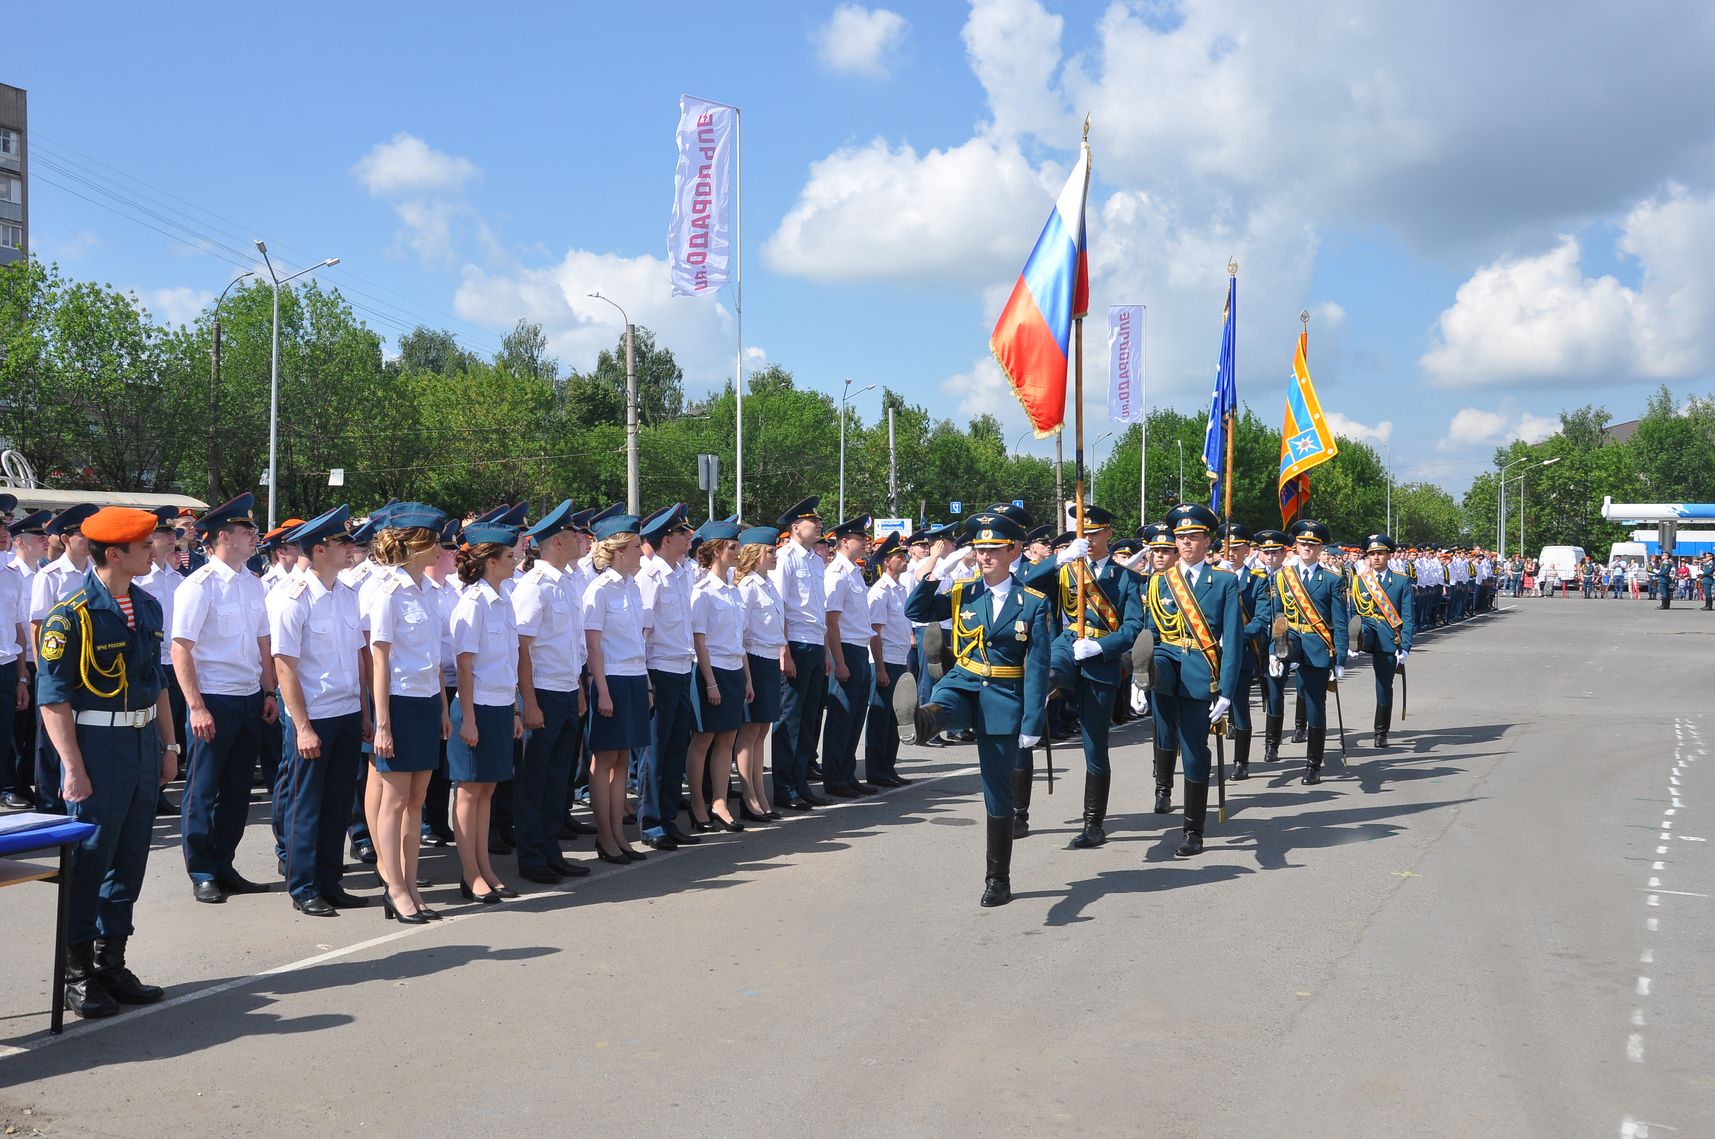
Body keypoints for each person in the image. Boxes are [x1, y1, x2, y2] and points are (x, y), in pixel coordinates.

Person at [36, 507, 177, 1018]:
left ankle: (110, 961)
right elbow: (55, 700)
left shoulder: (149, 605)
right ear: (115, 553)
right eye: (144, 546)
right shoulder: (69, 615)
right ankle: (76, 971)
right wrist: (72, 767)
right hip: (96, 747)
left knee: (132, 855)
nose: (154, 550)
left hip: (141, 746)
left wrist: (168, 745)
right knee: (90, 858)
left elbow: (157, 682)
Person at [906, 512, 1050, 907]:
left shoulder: (1033, 603)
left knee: (997, 792)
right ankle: (920, 722)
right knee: (944, 702)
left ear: (1013, 551)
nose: (984, 556)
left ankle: (997, 878)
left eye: (993, 550)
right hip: (965, 681)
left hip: (1005, 694)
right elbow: (914, 611)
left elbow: (1037, 667)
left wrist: (1033, 720)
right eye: (980, 549)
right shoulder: (963, 593)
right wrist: (939, 565)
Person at [172, 494, 277, 904]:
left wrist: (268, 690)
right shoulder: (198, 586)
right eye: (246, 531)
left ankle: (224, 864)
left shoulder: (254, 583)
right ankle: (201, 870)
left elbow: (262, 643)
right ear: (222, 537)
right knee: (203, 789)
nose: (254, 536)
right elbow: (181, 648)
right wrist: (195, 705)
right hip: (213, 699)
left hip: (249, 696)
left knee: (236, 792)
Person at [267, 506, 369, 917]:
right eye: (343, 542)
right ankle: (304, 884)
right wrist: (303, 725)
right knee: (306, 803)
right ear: (320, 548)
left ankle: (331, 880)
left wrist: (363, 711)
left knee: (338, 803)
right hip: (313, 717)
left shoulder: (347, 594)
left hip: (345, 712)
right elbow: (284, 666)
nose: (350, 548)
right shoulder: (292, 598)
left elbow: (357, 657)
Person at [1022, 504, 1143, 848]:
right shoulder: (1066, 570)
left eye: (1094, 534)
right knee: (1051, 668)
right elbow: (1023, 584)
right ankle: (1045, 686)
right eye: (1083, 534)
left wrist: (1103, 647)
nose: (1088, 540)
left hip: (1099, 659)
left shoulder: (1126, 578)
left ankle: (1094, 823)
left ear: (1108, 534)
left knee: (1095, 744)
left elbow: (1134, 627)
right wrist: (1057, 560)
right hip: (1066, 644)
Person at [1139, 504, 1243, 857]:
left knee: (1196, 750)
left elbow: (1233, 640)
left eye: (1193, 537)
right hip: (1165, 667)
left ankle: (1193, 830)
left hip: (1203, 673)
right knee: (1166, 726)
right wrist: (1141, 680)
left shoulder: (1225, 582)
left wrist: (1226, 691)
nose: (1185, 543)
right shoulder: (1158, 581)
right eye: (1180, 537)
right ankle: (1145, 680)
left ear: (1206, 541)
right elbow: (1151, 634)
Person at [367, 503, 454, 924]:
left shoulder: (428, 591)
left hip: (423, 701)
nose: (441, 549)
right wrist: (382, 722)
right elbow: (379, 660)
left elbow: (434, 658)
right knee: (395, 799)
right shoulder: (389, 592)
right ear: (415, 545)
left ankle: (412, 884)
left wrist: (441, 705)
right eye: (434, 541)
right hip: (398, 703)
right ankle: (394, 887)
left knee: (417, 800)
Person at [511, 500, 591, 885]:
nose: (581, 540)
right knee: (535, 781)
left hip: (563, 688)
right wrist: (529, 702)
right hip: (540, 693)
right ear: (558, 541)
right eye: (575, 535)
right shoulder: (535, 586)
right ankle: (532, 857)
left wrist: (576, 687)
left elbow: (571, 645)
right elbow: (522, 648)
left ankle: (550, 850)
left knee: (558, 778)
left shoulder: (567, 583)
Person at [447, 520, 526, 900]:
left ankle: (485, 867)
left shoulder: (505, 598)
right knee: (469, 791)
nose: (517, 560)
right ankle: (470, 872)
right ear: (491, 561)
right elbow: (464, 665)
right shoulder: (472, 603)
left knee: (487, 791)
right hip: (474, 707)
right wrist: (471, 721)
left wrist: (512, 710)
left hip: (498, 706)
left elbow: (508, 663)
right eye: (510, 556)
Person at [582, 512, 651, 865]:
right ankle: (605, 836)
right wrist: (604, 691)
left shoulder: (632, 586)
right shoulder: (600, 589)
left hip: (635, 678)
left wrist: (647, 682)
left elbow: (637, 639)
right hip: (611, 680)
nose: (642, 551)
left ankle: (620, 835)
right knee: (604, 759)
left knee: (623, 759)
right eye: (637, 546)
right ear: (621, 550)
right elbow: (593, 646)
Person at [636, 503, 702, 851]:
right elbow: (643, 630)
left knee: (677, 746)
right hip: (659, 668)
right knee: (656, 749)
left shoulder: (678, 573)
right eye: (681, 532)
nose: (688, 537)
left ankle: (667, 816)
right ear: (665, 540)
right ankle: (650, 822)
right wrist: (646, 680)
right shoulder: (651, 576)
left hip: (680, 666)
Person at [1266, 519, 1349, 785]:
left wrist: (1340, 659)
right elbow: (1276, 617)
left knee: (1316, 707)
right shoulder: (1282, 576)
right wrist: (1271, 650)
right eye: (1302, 543)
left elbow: (1340, 621)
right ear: (1295, 546)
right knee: (1284, 649)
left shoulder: (1332, 580)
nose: (1307, 548)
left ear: (1320, 548)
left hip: (1318, 644)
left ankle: (1313, 763)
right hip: (1290, 638)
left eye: (1312, 545)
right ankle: (1282, 655)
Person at [29, 503, 101, 814]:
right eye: (81, 534)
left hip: (90, 669)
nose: (88, 539)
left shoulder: (98, 574)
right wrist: (45, 672)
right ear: (66, 538)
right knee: (50, 740)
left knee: (82, 736)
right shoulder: (50, 575)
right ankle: (49, 805)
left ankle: (80, 798)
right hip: (59, 668)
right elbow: (38, 626)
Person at [686, 521, 749, 832]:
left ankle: (720, 800)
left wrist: (747, 679)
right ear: (715, 551)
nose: (738, 552)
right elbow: (699, 641)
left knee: (727, 738)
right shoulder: (703, 592)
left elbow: (740, 641)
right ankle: (697, 801)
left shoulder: (733, 590)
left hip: (734, 669)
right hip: (712, 671)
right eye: (732, 547)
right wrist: (710, 682)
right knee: (703, 740)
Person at [771, 497, 833, 808]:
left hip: (814, 641)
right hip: (794, 641)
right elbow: (780, 605)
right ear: (796, 528)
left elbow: (818, 609)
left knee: (809, 718)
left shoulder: (814, 560)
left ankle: (800, 782)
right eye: (814, 522)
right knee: (790, 718)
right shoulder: (786, 559)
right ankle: (784, 786)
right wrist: (784, 650)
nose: (819, 525)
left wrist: (823, 651)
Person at [820, 515, 876, 798]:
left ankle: (847, 772)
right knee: (841, 718)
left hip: (859, 648)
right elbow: (832, 621)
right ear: (844, 542)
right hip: (847, 649)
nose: (866, 542)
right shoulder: (837, 574)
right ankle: (834, 777)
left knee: (855, 718)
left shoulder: (854, 572)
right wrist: (839, 660)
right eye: (860, 538)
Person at [734, 526, 785, 822]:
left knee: (762, 730)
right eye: (770, 551)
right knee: (750, 730)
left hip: (768, 659)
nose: (774, 555)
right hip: (752, 658)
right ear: (754, 555)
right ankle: (749, 796)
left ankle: (760, 794)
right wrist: (747, 675)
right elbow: (740, 633)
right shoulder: (748, 587)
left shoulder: (769, 585)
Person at [1216, 523, 1270, 780]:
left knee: (1239, 707)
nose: (1230, 552)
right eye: (1226, 547)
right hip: (1209, 651)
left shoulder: (1257, 581)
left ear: (1247, 550)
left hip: (1241, 653)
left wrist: (1236, 636)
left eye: (1237, 548)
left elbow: (1261, 619)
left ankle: (1241, 761)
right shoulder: (1211, 576)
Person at [1350, 534, 1414, 749]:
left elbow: (1408, 615)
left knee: (1384, 685)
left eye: (1380, 553)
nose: (1376, 558)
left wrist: (1405, 645)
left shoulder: (1400, 580)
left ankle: (1381, 731)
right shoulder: (1359, 580)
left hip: (1389, 636)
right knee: (1362, 629)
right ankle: (1356, 642)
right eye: (1371, 554)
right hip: (1367, 630)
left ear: (1388, 555)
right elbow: (1353, 613)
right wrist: (1349, 641)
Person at [863, 533, 915, 788]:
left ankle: (888, 767)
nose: (904, 559)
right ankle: (876, 771)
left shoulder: (900, 589)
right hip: (884, 661)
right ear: (886, 562)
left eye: (904, 555)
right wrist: (881, 668)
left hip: (899, 658)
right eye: (899, 556)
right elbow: (875, 634)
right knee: (880, 718)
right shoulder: (880, 592)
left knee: (895, 717)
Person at [1251, 530, 1293, 763]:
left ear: (1284, 553)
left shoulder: (1291, 579)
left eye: (1274, 552)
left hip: (1280, 645)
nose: (1269, 556)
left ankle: (1272, 745)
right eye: (1265, 552)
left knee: (1275, 695)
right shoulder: (1254, 578)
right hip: (1255, 644)